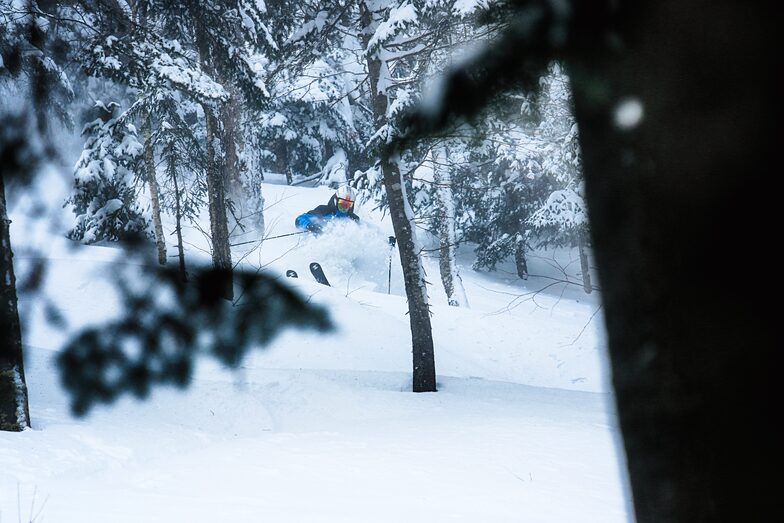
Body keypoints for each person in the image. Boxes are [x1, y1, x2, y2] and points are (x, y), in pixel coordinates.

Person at [295, 186, 360, 234]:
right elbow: (299, 219)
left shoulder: (354, 219)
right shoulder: (323, 211)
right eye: (342, 203)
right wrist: (310, 226)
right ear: (336, 201)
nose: (345, 207)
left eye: (348, 204)